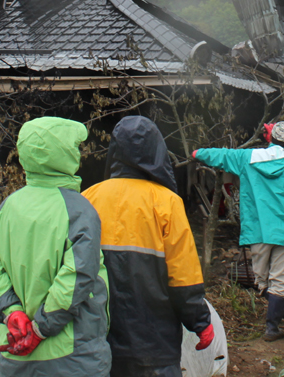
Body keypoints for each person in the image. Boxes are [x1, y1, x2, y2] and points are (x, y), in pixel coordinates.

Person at [0, 117, 111, 377]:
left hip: (15, 353)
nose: (78, 153)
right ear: (64, 153)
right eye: (74, 147)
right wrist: (39, 329)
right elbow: (78, 275)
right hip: (72, 355)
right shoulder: (79, 211)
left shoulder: (7, 207)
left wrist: (11, 312)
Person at [83, 116, 214, 377]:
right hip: (154, 344)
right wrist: (200, 322)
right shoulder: (167, 202)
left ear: (115, 152)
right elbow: (183, 275)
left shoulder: (88, 198)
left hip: (97, 340)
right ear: (157, 151)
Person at [193, 121, 284, 341]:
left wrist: (197, 153)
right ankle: (274, 326)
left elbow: (221, 156)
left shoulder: (246, 158)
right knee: (282, 281)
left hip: (258, 228)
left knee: (263, 280)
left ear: (271, 138)